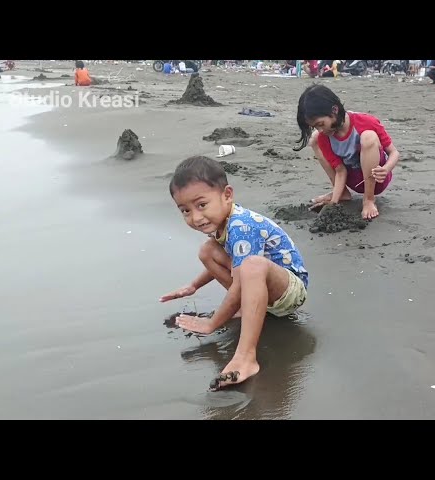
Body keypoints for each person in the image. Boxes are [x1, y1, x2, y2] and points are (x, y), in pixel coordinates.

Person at [159, 156, 309, 391]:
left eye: (201, 205)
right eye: (185, 210)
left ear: (227, 195)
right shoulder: (221, 224)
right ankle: (247, 308)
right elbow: (230, 262)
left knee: (251, 266)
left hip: (290, 291)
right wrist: (193, 287)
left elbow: (243, 277)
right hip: (263, 290)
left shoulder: (241, 226)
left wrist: (213, 323)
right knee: (208, 251)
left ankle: (246, 357)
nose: (195, 217)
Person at [294, 84, 400, 220]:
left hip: (376, 179)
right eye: (315, 126)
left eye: (321, 124)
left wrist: (386, 169)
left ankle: (368, 200)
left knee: (368, 137)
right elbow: (340, 171)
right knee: (315, 138)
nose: (320, 130)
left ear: (334, 110)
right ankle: (341, 193)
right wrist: (333, 204)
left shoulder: (367, 121)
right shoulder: (324, 137)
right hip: (352, 179)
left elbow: (394, 153)